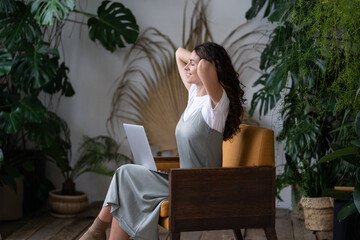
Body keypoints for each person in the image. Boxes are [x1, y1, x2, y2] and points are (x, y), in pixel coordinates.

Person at [79, 42, 246, 240]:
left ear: (210, 66)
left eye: (192, 64)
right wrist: (195, 57)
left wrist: (202, 59)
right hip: (181, 182)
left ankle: (95, 231)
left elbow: (204, 67)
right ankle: (96, 231)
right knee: (125, 186)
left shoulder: (217, 103)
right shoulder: (194, 95)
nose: (186, 67)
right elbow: (178, 54)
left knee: (124, 174)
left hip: (200, 187)